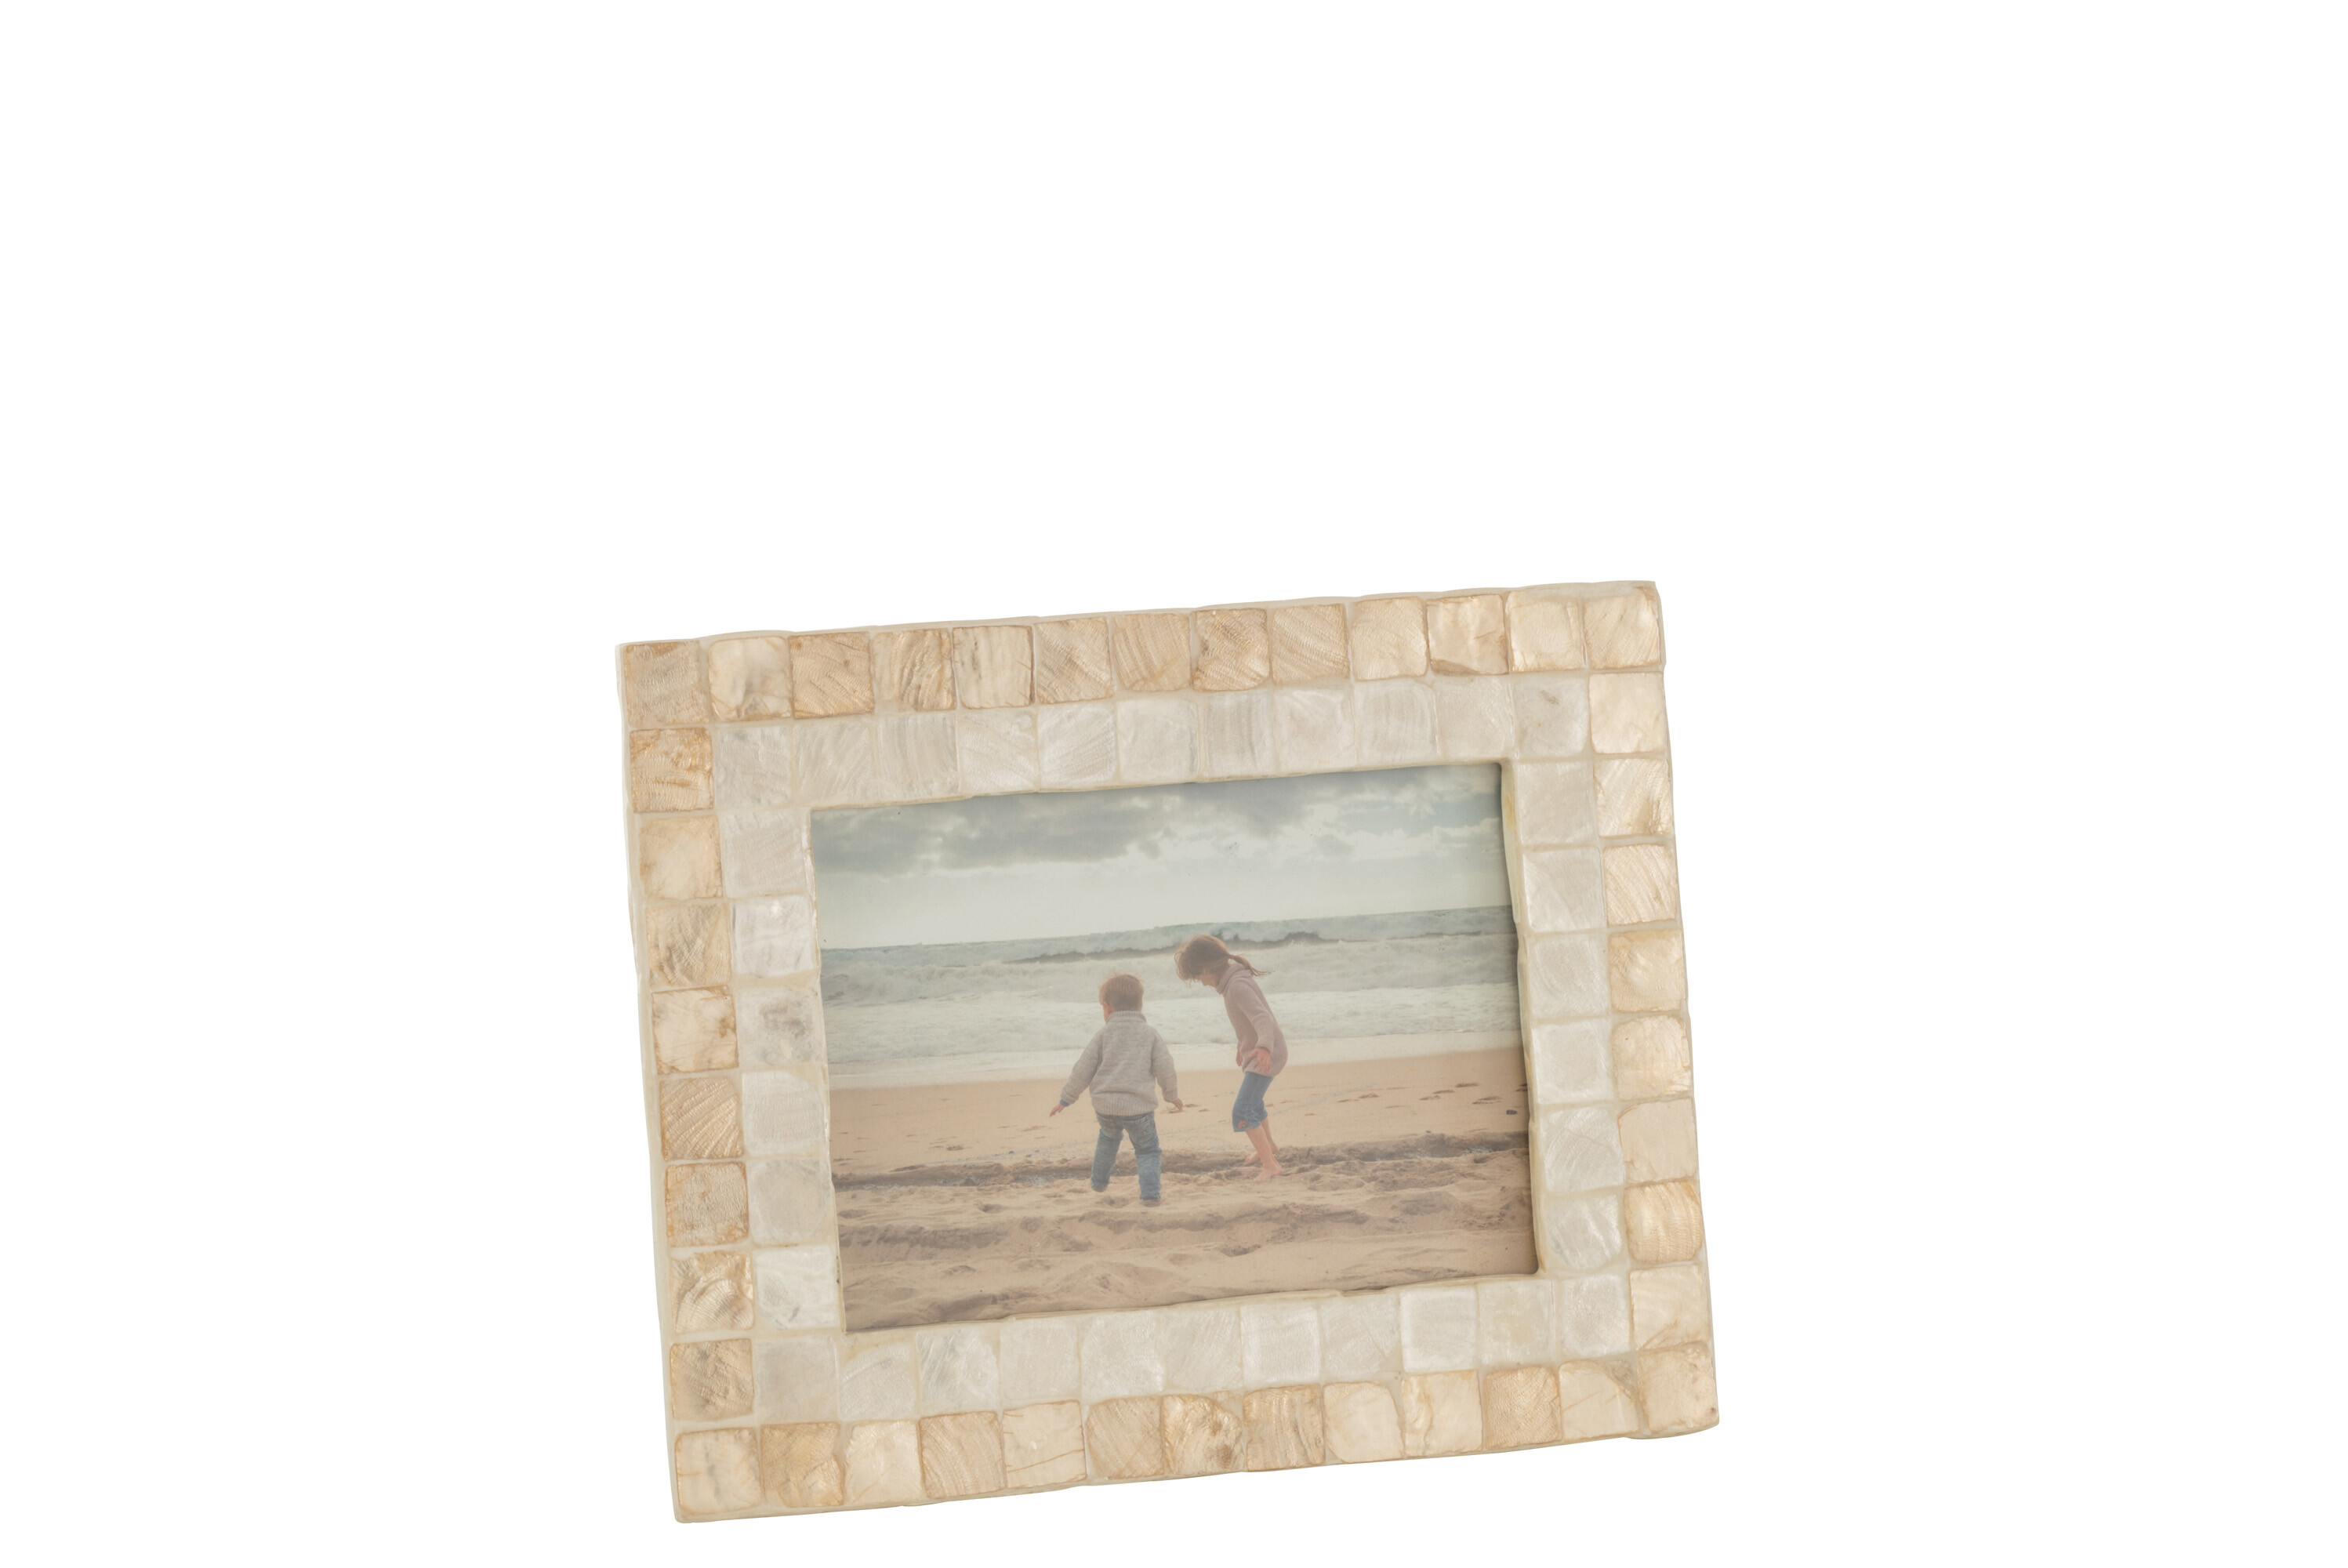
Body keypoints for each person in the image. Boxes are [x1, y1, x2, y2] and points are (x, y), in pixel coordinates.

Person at [1049, 972, 1181, 1205]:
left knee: (1108, 1139)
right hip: (1139, 1109)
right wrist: (1171, 1095)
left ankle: (1099, 1182)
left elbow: (1083, 1069)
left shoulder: (1103, 1035)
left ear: (1107, 1007)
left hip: (1106, 1108)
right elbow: (1165, 1067)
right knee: (1147, 1150)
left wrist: (1066, 1099)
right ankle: (1150, 1196)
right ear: (1140, 1005)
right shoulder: (1150, 1034)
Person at [1174, 934, 1287, 1179]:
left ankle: (1271, 1166)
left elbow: (1262, 1018)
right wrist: (1242, 1045)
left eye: (1199, 977)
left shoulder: (1236, 986)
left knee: (1242, 1111)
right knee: (1254, 1103)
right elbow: (1246, 1022)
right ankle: (1269, 1146)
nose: (1202, 983)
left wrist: (1264, 1047)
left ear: (1207, 968)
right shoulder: (1233, 982)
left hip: (1267, 1052)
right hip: (1260, 1049)